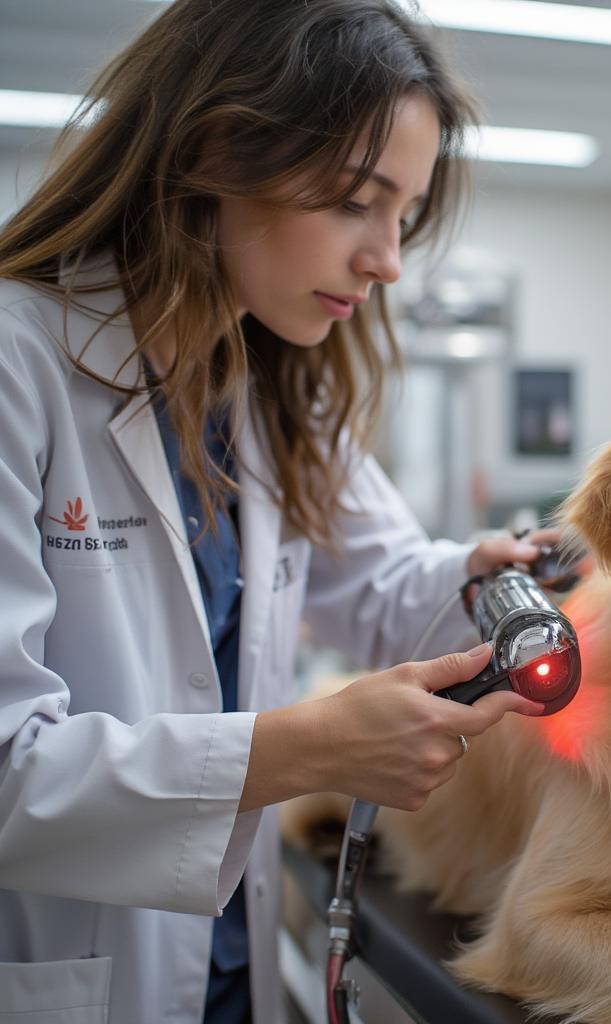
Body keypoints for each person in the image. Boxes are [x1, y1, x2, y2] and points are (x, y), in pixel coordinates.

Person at [0, 2, 550, 1021]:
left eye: (405, 215)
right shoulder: (16, 363)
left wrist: (511, 577)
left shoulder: (264, 389)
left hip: (224, 974)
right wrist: (305, 749)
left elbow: (387, 589)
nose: (387, 260)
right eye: (356, 200)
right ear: (219, 147)